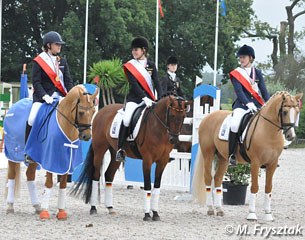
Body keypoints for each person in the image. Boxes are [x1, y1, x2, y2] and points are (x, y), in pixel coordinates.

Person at [116, 36, 163, 162]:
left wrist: (161, 97)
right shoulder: (131, 66)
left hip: (150, 99)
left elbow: (157, 82)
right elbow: (134, 84)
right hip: (135, 99)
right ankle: (120, 149)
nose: (134, 52)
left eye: (136, 50)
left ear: (144, 50)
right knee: (126, 119)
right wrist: (143, 97)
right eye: (132, 50)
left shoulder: (151, 65)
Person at [25, 31, 74, 154]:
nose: (59, 46)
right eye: (57, 44)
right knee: (31, 119)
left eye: (60, 44)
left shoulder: (62, 62)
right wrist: (44, 95)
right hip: (43, 97)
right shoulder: (39, 61)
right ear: (48, 45)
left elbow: (68, 82)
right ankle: (28, 150)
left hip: (61, 96)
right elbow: (36, 82)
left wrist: (73, 95)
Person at [228, 44, 270, 166]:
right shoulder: (236, 73)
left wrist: (268, 103)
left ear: (250, 58)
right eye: (240, 57)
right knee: (235, 124)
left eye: (244, 57)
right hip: (241, 105)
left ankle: (267, 155)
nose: (241, 59)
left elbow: (263, 90)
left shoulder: (257, 72)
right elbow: (239, 91)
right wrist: (247, 103)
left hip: (257, 105)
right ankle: (232, 155)